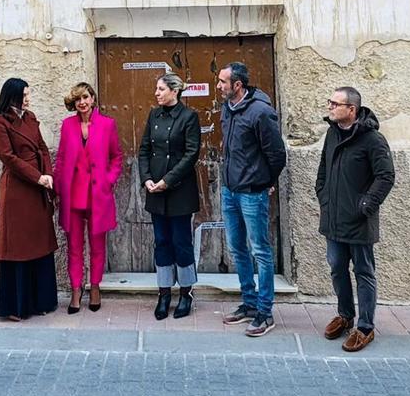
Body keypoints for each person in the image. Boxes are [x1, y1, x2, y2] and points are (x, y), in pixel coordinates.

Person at [315, 85, 395, 352]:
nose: (330, 107)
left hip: (359, 220)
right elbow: (323, 170)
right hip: (334, 218)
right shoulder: (332, 134)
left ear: (352, 109)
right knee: (337, 268)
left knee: (363, 272)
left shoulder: (372, 139)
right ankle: (345, 315)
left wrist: (366, 206)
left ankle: (365, 327)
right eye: (330, 102)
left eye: (335, 104)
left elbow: (386, 176)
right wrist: (324, 197)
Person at [215, 61, 287, 338]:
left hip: (252, 193)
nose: (218, 86)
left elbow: (277, 156)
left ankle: (265, 312)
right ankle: (249, 302)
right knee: (237, 249)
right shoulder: (227, 108)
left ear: (238, 85)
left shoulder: (261, 112)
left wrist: (265, 182)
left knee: (261, 251)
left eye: (223, 82)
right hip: (230, 190)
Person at [0, 77, 59, 321]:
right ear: (12, 96)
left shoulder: (30, 118)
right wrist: (38, 177)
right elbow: (9, 158)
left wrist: (48, 174)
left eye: (29, 94)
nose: (28, 99)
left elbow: (42, 148)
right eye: (24, 95)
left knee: (39, 243)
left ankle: (42, 300)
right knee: (18, 246)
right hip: (18, 190)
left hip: (38, 186)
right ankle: (16, 306)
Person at [53, 82, 123, 313]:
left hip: (97, 195)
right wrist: (58, 189)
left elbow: (116, 157)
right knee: (74, 246)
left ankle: (94, 286)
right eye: (77, 100)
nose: (82, 103)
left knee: (97, 245)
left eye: (85, 97)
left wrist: (108, 180)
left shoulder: (107, 125)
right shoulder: (67, 125)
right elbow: (62, 158)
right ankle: (75, 289)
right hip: (73, 195)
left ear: (93, 98)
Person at [137, 73, 201, 320]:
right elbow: (144, 150)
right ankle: (164, 293)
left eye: (161, 89)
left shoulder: (189, 117)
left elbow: (191, 154)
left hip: (179, 192)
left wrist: (168, 181)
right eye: (156, 88)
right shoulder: (154, 115)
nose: (156, 93)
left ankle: (186, 292)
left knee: (181, 242)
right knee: (161, 241)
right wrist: (147, 179)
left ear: (175, 91)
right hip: (155, 192)